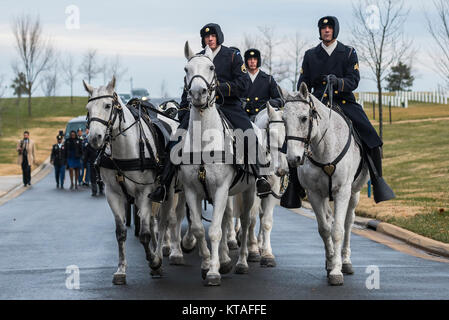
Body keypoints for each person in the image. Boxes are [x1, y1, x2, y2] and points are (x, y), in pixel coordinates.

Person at [149, 23, 271, 202]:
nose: (210, 39)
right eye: (207, 37)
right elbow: (189, 86)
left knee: (249, 133)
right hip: (199, 109)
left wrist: (219, 88)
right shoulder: (197, 58)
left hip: (228, 106)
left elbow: (243, 83)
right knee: (176, 141)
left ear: (219, 37)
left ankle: (260, 177)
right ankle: (164, 184)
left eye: (213, 36)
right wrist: (184, 110)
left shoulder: (232, 56)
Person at [295, 16, 394, 203]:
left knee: (371, 137)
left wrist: (339, 82)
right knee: (294, 136)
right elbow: (303, 83)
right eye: (323, 28)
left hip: (344, 101)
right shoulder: (310, 55)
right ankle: (294, 187)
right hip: (318, 102)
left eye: (330, 28)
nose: (326, 31)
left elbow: (354, 80)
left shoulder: (348, 52)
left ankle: (378, 180)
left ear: (335, 30)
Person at [243, 48, 282, 120]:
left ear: (258, 61)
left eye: (255, 59)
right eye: (250, 59)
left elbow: (280, 99)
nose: (252, 62)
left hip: (262, 117)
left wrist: (272, 103)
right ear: (246, 61)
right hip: (244, 116)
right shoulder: (240, 79)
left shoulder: (268, 79)